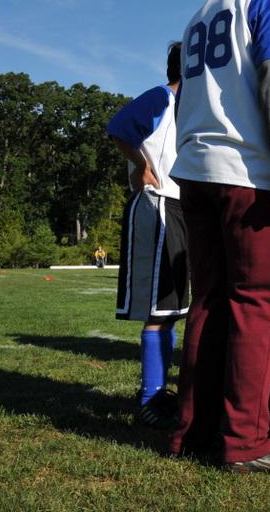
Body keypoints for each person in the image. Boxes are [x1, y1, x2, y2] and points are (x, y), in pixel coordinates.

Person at [168, 0, 270, 473]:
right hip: (245, 171)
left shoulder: (204, 8)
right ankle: (245, 441)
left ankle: (194, 430)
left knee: (209, 302)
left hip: (197, 166)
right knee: (259, 306)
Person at [107, 41, 190, 431]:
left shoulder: (193, 108)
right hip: (158, 205)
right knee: (159, 309)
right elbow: (120, 127)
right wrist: (141, 165)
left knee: (174, 309)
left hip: (183, 208)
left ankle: (163, 394)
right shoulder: (162, 96)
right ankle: (149, 398)